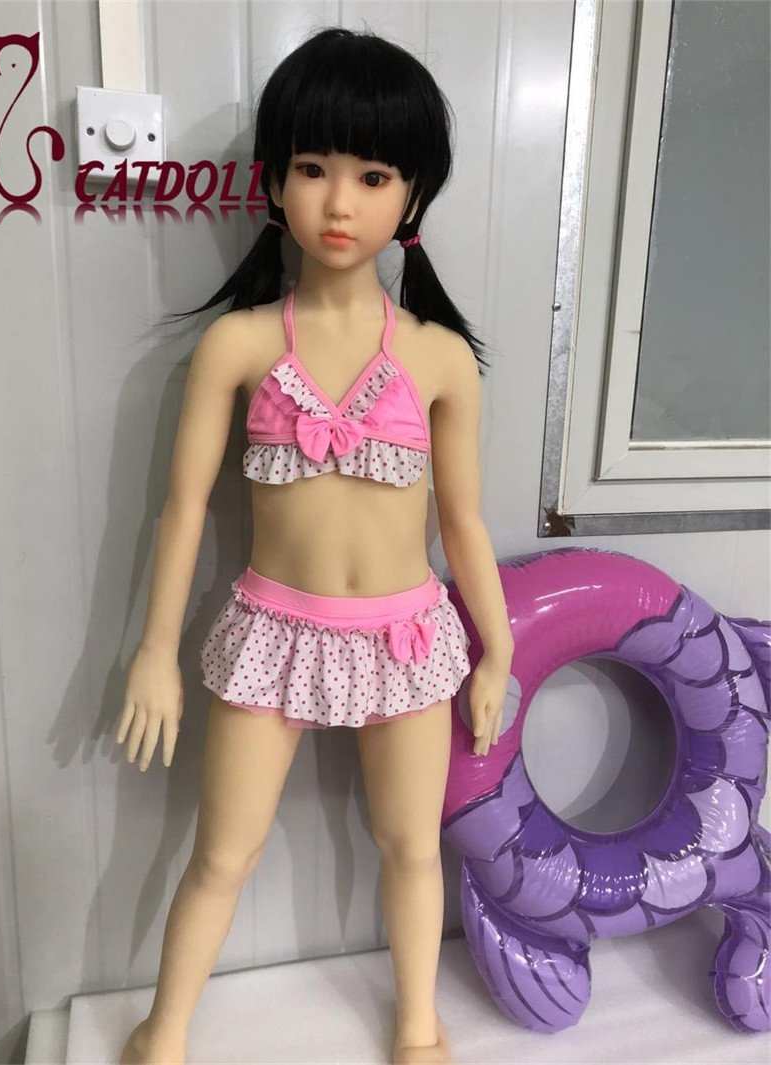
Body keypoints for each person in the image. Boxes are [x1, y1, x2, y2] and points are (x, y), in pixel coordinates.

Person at [116, 25, 513, 1065]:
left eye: (373, 176)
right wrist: (154, 652)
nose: (340, 203)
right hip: (271, 632)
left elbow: (463, 521)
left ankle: (417, 1024)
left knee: (408, 846)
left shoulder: (438, 359)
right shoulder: (239, 343)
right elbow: (182, 509)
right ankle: (164, 1030)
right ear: (273, 180)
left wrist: (497, 650)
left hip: (404, 639)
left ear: (412, 196)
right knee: (221, 854)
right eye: (312, 168)